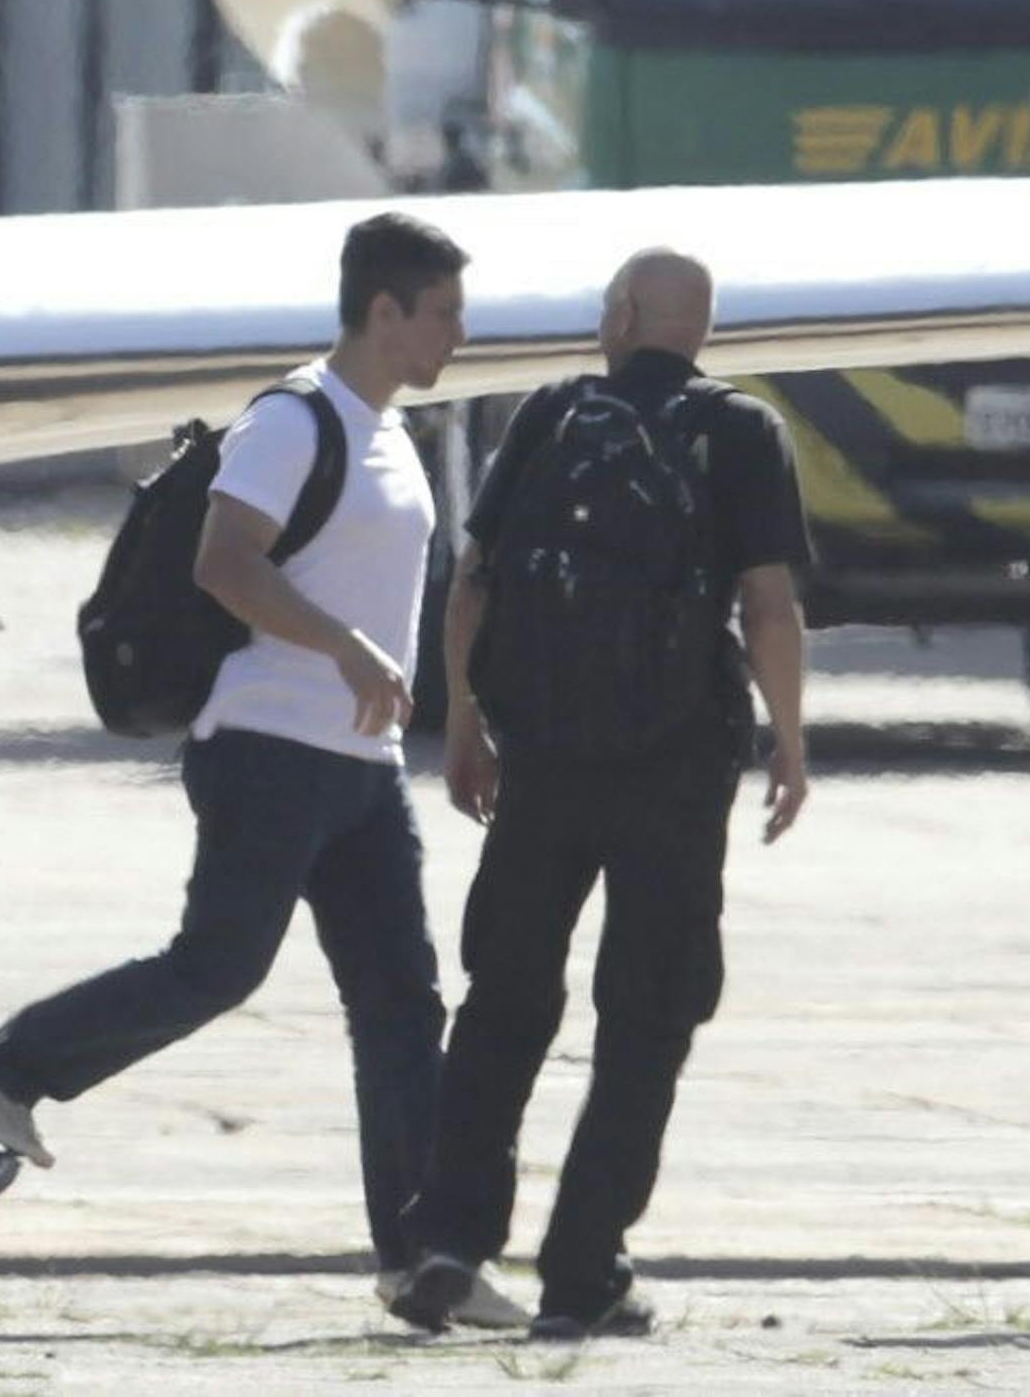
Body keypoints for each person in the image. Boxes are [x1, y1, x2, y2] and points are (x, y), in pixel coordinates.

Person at [0, 211, 523, 1328]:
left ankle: (425, 1260)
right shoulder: (294, 422)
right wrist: (344, 648)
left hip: (359, 765)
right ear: (384, 310)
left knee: (402, 1003)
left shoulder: (394, 433)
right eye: (443, 311)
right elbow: (222, 563)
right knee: (218, 966)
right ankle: (9, 1066)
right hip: (266, 748)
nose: (459, 331)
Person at [388, 248, 812, 1339]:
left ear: (622, 316)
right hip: (676, 766)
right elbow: (767, 600)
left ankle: (449, 1237)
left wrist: (470, 724)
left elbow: (474, 578)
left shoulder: (551, 414)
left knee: (506, 999)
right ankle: (585, 1267)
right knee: (649, 1014)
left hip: (547, 761)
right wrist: (791, 740)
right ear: (700, 332)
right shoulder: (742, 432)